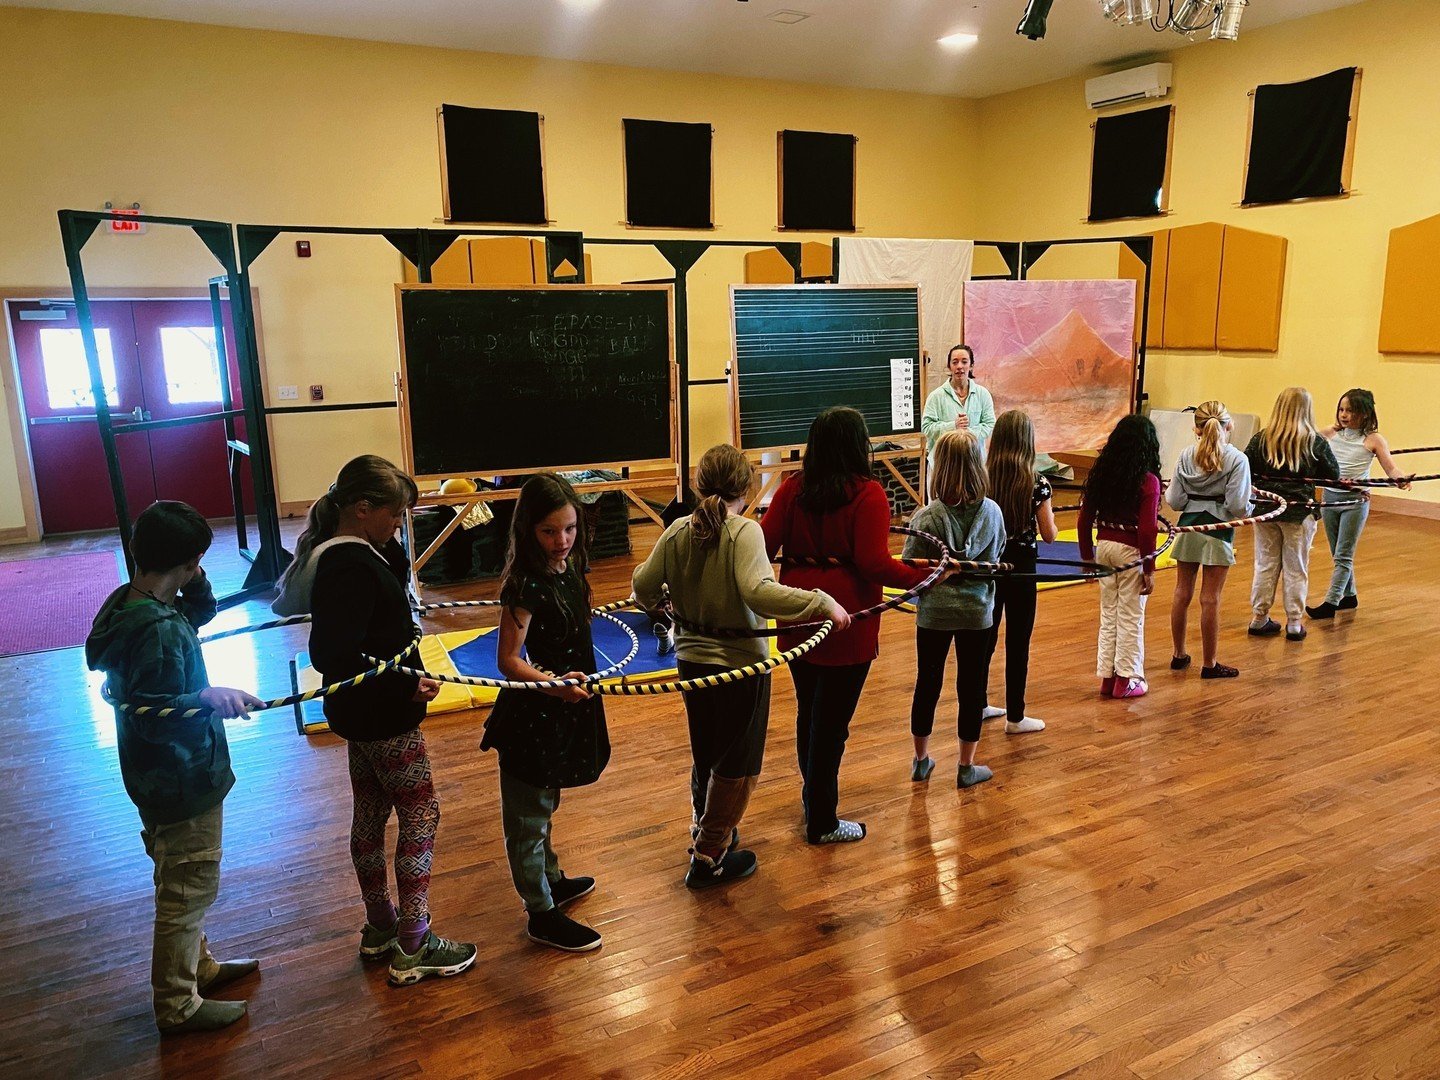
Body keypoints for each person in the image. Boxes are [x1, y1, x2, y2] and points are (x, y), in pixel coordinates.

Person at [273, 455, 476, 986]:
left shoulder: (361, 552)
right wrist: (404, 683)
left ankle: (381, 926)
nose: (399, 524)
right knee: (422, 813)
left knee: (371, 812)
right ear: (362, 509)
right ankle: (414, 941)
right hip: (383, 716)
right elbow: (333, 652)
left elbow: (371, 633)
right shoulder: (348, 567)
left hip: (364, 714)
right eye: (394, 514)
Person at [632, 445, 850, 887]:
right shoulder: (743, 532)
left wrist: (664, 602)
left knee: (707, 753)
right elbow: (758, 593)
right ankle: (709, 853)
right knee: (739, 765)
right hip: (740, 669)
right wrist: (821, 602)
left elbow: (641, 586)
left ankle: (706, 829)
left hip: (692, 664)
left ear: (698, 484)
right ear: (746, 487)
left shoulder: (676, 531)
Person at [86, 501, 264, 1034]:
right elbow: (159, 718)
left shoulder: (128, 603)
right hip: (183, 777)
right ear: (186, 562)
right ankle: (177, 1004)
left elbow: (197, 616)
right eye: (196, 564)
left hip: (149, 777)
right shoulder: (158, 630)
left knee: (180, 875)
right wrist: (206, 696)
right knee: (187, 887)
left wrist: (195, 577)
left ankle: (198, 967)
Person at [762, 406, 935, 843]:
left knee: (810, 713)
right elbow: (874, 564)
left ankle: (813, 802)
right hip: (847, 622)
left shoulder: (791, 489)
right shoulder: (869, 493)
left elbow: (760, 545)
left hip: (799, 616)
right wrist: (924, 577)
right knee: (831, 726)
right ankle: (822, 820)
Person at [483, 474, 610, 951]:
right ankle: (540, 912)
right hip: (531, 719)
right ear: (527, 531)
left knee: (546, 802)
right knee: (528, 817)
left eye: (570, 529)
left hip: (564, 709)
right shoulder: (525, 584)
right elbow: (509, 660)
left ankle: (551, 878)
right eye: (549, 532)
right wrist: (554, 686)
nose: (562, 542)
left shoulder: (570, 569)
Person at [904, 430, 1007, 787]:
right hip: (977, 613)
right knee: (971, 686)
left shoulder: (927, 517)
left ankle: (921, 760)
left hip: (934, 614)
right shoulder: (992, 513)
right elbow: (997, 557)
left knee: (927, 683)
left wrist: (942, 574)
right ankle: (966, 766)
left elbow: (909, 566)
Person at [978, 410, 1056, 733]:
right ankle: (1015, 716)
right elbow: (1050, 534)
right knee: (1018, 642)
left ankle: (978, 703)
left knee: (986, 637)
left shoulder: (983, 478)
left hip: (991, 565)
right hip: (1023, 569)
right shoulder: (1037, 483)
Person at [1077, 415, 1163, 699]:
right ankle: (1127, 680)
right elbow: (1148, 528)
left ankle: (1107, 677)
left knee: (1109, 613)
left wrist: (1087, 557)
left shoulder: (1102, 473)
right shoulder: (1147, 481)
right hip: (1131, 552)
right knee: (1131, 616)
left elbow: (1084, 518)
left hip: (1105, 547)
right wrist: (1149, 567)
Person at [1307, 388, 1411, 619]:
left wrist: (1399, 479)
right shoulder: (1330, 434)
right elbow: (1307, 446)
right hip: (1330, 498)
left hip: (1355, 501)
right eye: (1341, 409)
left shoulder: (1373, 439)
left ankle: (1331, 603)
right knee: (1337, 552)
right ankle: (1349, 595)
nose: (1344, 415)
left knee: (1344, 554)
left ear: (1364, 413)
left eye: (1350, 410)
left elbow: (1390, 467)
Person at [1244, 388, 1339, 641]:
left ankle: (1259, 617)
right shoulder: (1314, 442)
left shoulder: (1261, 439)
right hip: (1299, 512)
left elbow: (1244, 470)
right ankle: (1294, 623)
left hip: (1266, 509)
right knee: (1296, 566)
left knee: (1265, 564)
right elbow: (1334, 475)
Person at [1166, 400, 1252, 678]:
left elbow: (1175, 500)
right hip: (1218, 530)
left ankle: (1179, 655)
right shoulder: (1237, 459)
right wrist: (1251, 508)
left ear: (1196, 429)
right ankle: (1209, 664)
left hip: (1189, 527)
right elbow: (1238, 505)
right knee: (1210, 598)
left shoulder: (1185, 455)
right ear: (1229, 426)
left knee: (1182, 592)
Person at [921, 344, 997, 468]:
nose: (959, 366)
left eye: (964, 362)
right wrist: (953, 426)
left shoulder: (983, 394)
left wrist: (967, 434)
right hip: (944, 465)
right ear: (949, 367)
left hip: (974, 463)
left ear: (971, 365)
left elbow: (990, 424)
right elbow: (927, 428)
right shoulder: (936, 396)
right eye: (955, 362)